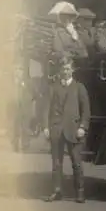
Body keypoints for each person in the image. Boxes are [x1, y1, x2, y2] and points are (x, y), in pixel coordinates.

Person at [43, 57, 91, 203]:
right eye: (63, 68)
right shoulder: (53, 87)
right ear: (60, 70)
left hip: (73, 130)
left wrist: (83, 126)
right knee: (56, 163)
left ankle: (80, 192)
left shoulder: (79, 87)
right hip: (56, 129)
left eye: (68, 68)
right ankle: (56, 191)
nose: (66, 71)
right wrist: (46, 127)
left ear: (73, 70)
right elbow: (46, 109)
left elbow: (86, 110)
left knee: (76, 162)